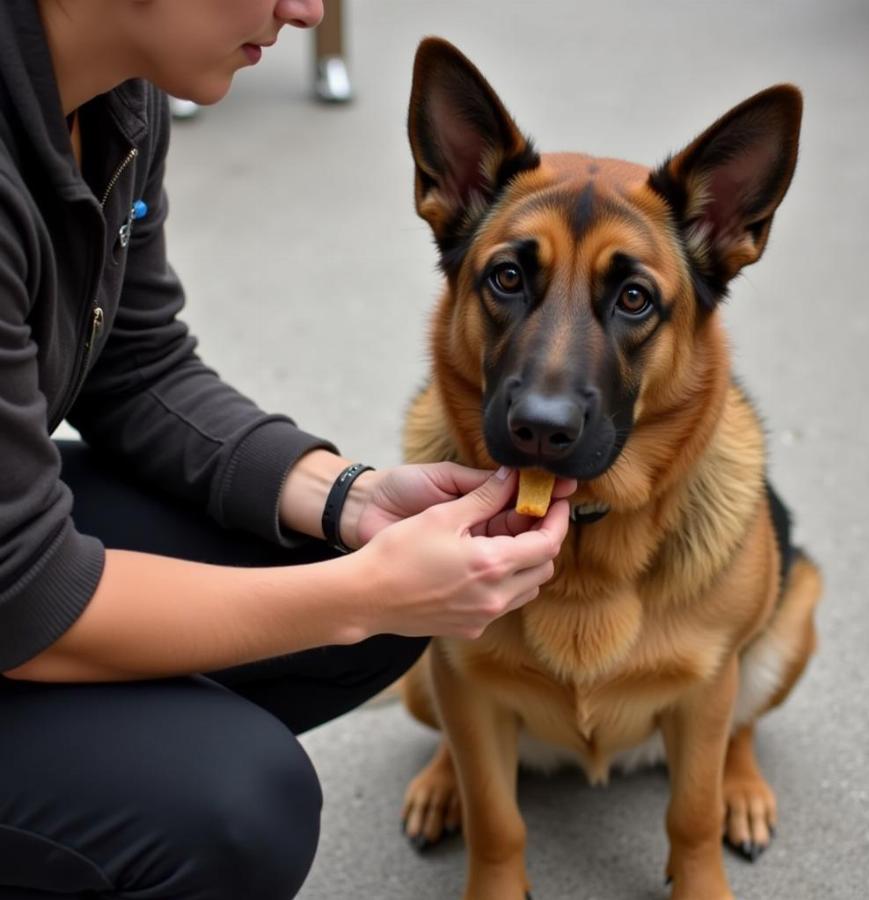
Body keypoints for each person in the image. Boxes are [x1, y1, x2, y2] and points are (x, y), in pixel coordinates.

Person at [0, 1, 573, 898]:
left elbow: (137, 363)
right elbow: (24, 596)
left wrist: (351, 499)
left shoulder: (119, 99)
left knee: (363, 586)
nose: (308, 8)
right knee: (237, 809)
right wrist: (359, 594)